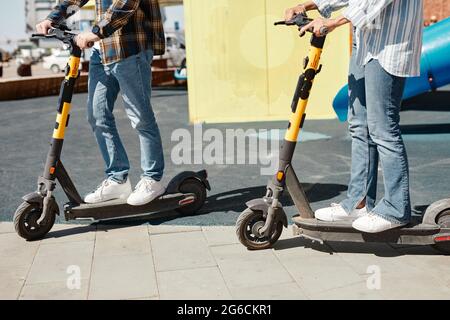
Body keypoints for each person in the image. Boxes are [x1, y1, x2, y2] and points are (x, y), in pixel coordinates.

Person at [284, 1, 423, 233]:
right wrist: (307, 6)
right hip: (365, 42)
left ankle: (396, 208)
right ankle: (358, 202)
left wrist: (333, 22)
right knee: (359, 124)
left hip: (390, 44)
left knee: (383, 127)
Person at [36, 0, 167, 206]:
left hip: (130, 47)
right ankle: (117, 178)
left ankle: (153, 179)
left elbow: (125, 4)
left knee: (140, 118)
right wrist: (52, 18)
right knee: (97, 115)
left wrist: (96, 31)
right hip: (102, 50)